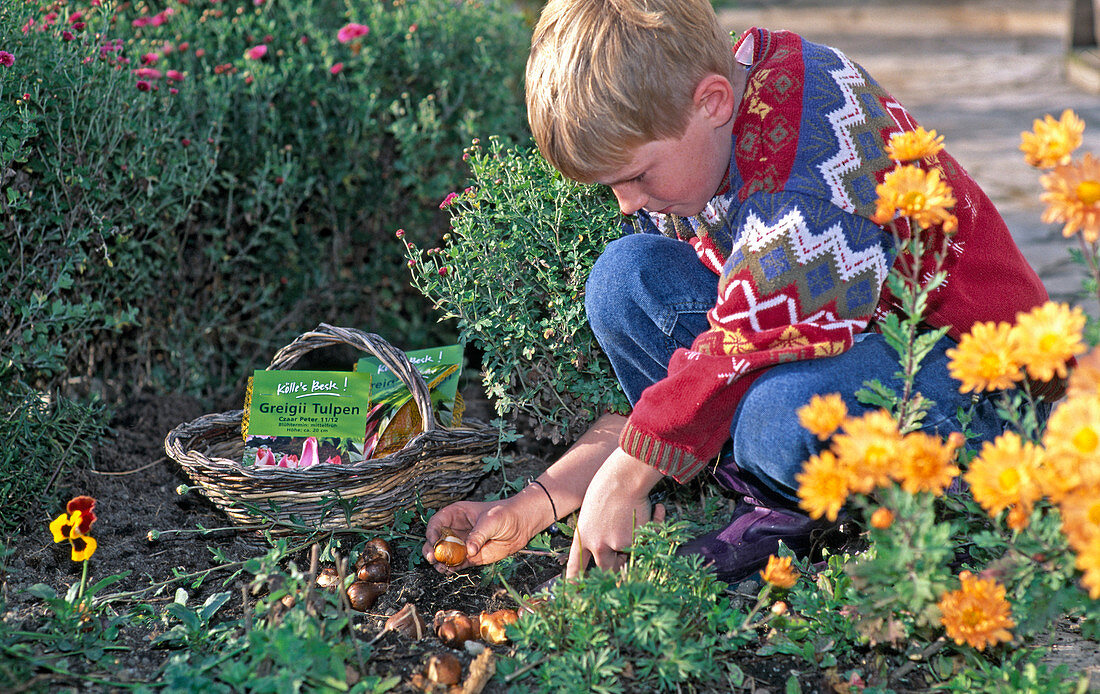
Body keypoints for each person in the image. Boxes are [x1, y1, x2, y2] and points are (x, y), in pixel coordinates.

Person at [422, 0, 1056, 584]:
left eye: (637, 176)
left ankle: (789, 501)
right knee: (626, 277)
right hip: (848, 344)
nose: (628, 201)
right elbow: (702, 362)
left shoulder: (804, 173)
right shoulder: (707, 122)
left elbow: (739, 349)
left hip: (982, 397)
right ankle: (771, 489)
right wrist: (540, 502)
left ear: (714, 101)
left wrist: (632, 470)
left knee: (775, 417)